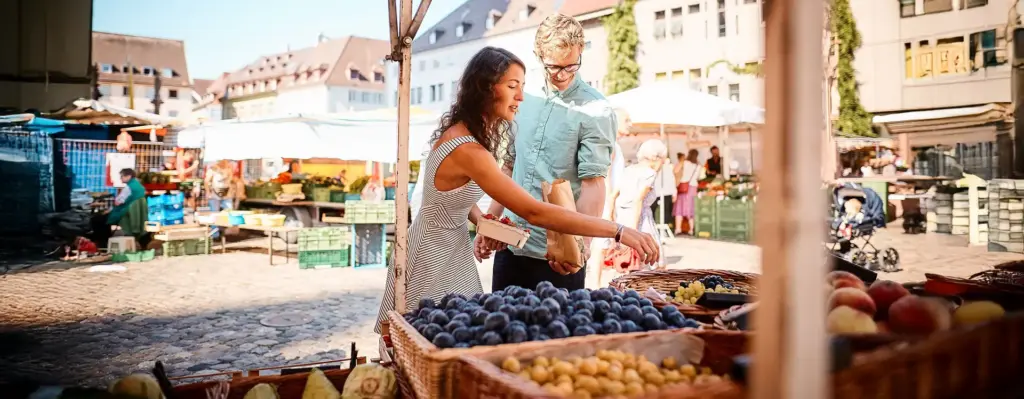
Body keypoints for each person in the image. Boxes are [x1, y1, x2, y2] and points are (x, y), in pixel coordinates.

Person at [374, 47, 659, 333]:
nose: (521, 97)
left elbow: (448, 195)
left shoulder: (462, 133)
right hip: (432, 257)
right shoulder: (470, 150)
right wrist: (618, 230)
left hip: (448, 248)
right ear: (486, 88)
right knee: (432, 342)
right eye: (512, 86)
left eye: (522, 86)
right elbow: (534, 211)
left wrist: (481, 220)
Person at [475, 14, 618, 292]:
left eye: (571, 66)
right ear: (538, 56)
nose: (563, 75)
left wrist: (583, 248)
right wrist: (488, 223)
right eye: (554, 67)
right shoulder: (523, 98)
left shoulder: (596, 110)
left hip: (559, 255)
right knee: (502, 331)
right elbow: (508, 168)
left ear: (581, 52)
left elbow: (593, 184)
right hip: (510, 246)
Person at [606, 139, 668, 275]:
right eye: (662, 160)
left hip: (621, 220)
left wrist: (611, 219)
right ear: (655, 158)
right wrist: (634, 230)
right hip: (640, 220)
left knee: (625, 266)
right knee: (650, 264)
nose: (662, 164)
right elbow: (638, 200)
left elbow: (612, 196)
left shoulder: (627, 170)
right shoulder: (649, 174)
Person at [93, 168, 148, 248]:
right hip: (136, 214)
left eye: (122, 176)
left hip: (125, 213)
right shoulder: (138, 186)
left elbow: (118, 202)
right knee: (101, 218)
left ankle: (103, 243)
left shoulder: (128, 188)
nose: (120, 178)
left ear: (129, 176)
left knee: (98, 220)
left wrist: (109, 210)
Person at [674, 149, 705, 235]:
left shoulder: (685, 162)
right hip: (693, 187)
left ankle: (678, 229)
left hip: (684, 186)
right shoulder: (698, 166)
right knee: (691, 207)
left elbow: (675, 170)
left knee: (679, 208)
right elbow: (699, 177)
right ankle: (691, 230)